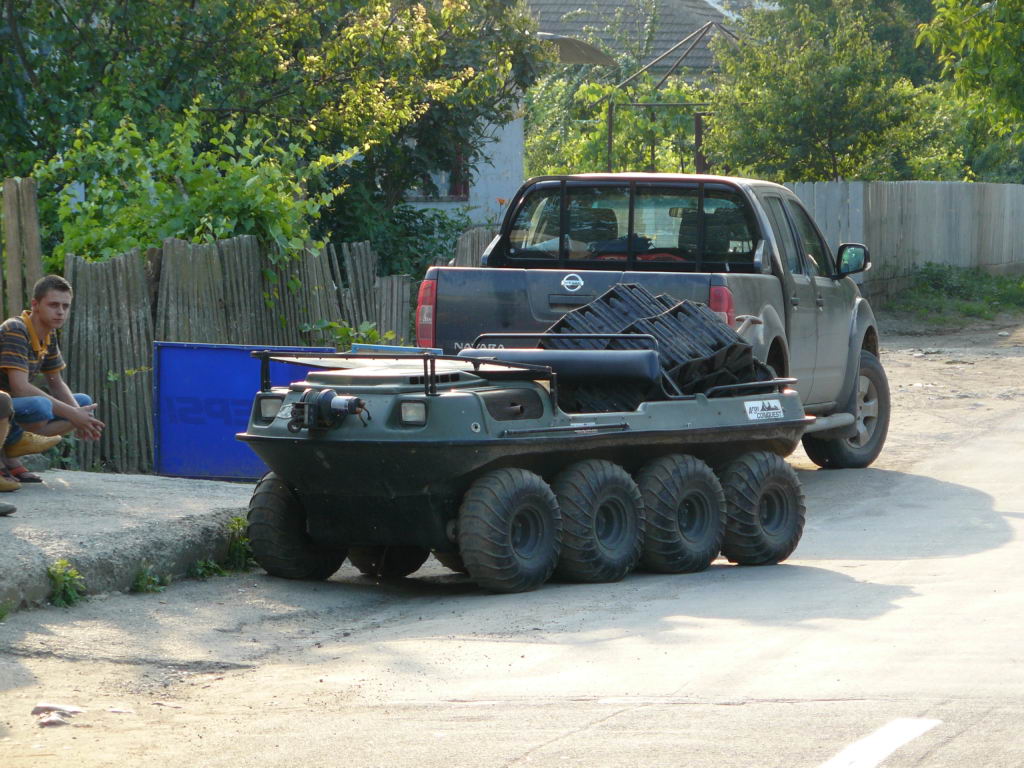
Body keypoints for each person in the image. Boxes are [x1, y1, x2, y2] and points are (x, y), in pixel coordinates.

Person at [0, 275, 104, 489]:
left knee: (83, 402)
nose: (60, 312)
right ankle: (11, 449)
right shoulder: (16, 329)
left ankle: (12, 449)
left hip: (12, 407)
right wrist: (73, 415)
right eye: (54, 305)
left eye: (65, 306)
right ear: (35, 305)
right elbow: (20, 387)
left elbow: (56, 382)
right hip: (3, 405)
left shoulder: (49, 334)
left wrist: (79, 416)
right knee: (40, 406)